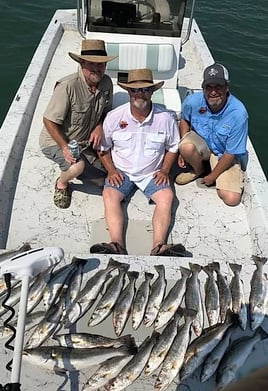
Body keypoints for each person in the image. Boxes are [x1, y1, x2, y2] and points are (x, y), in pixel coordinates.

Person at [90, 68, 187, 256]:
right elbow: (103, 148)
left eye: (144, 89)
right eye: (135, 90)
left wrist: (165, 170)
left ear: (152, 91)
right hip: (121, 171)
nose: (139, 94)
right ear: (128, 92)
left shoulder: (166, 118)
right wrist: (110, 171)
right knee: (109, 195)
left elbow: (173, 147)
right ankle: (116, 244)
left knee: (166, 197)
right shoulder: (114, 117)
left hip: (152, 173)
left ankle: (159, 246)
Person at [39, 39, 117, 208]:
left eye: (101, 64)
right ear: (82, 63)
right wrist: (64, 147)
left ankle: (81, 167)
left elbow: (106, 112)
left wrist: (99, 126)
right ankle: (62, 183)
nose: (97, 69)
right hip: (56, 141)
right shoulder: (67, 86)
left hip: (84, 144)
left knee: (104, 179)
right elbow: (49, 120)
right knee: (77, 167)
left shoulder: (106, 83)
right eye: (92, 64)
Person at [175, 63, 248, 206]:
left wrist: (212, 177)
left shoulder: (238, 113)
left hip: (223, 153)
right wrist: (181, 152)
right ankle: (198, 170)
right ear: (203, 89)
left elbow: (230, 152)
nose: (213, 92)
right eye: (209, 87)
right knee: (186, 147)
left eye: (218, 86)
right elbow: (184, 119)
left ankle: (212, 171)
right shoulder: (192, 101)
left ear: (227, 86)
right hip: (202, 144)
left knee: (231, 199)